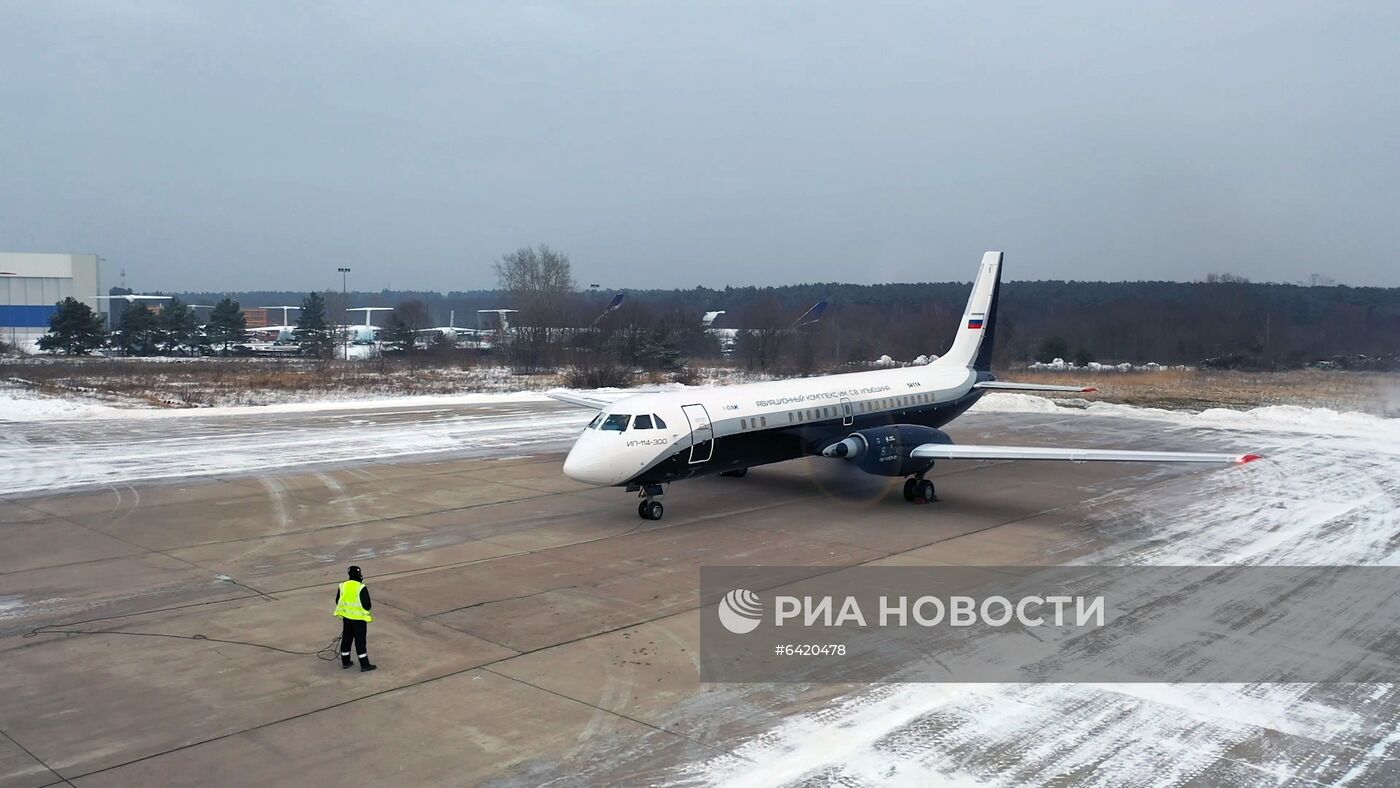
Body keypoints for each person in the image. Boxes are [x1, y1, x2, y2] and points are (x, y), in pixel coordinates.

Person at [334, 565, 376, 671]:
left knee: (346, 639)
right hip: (359, 619)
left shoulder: (342, 585)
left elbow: (337, 600)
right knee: (360, 641)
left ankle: (345, 661)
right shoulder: (361, 587)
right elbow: (367, 605)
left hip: (346, 617)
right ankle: (364, 664)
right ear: (359, 574)